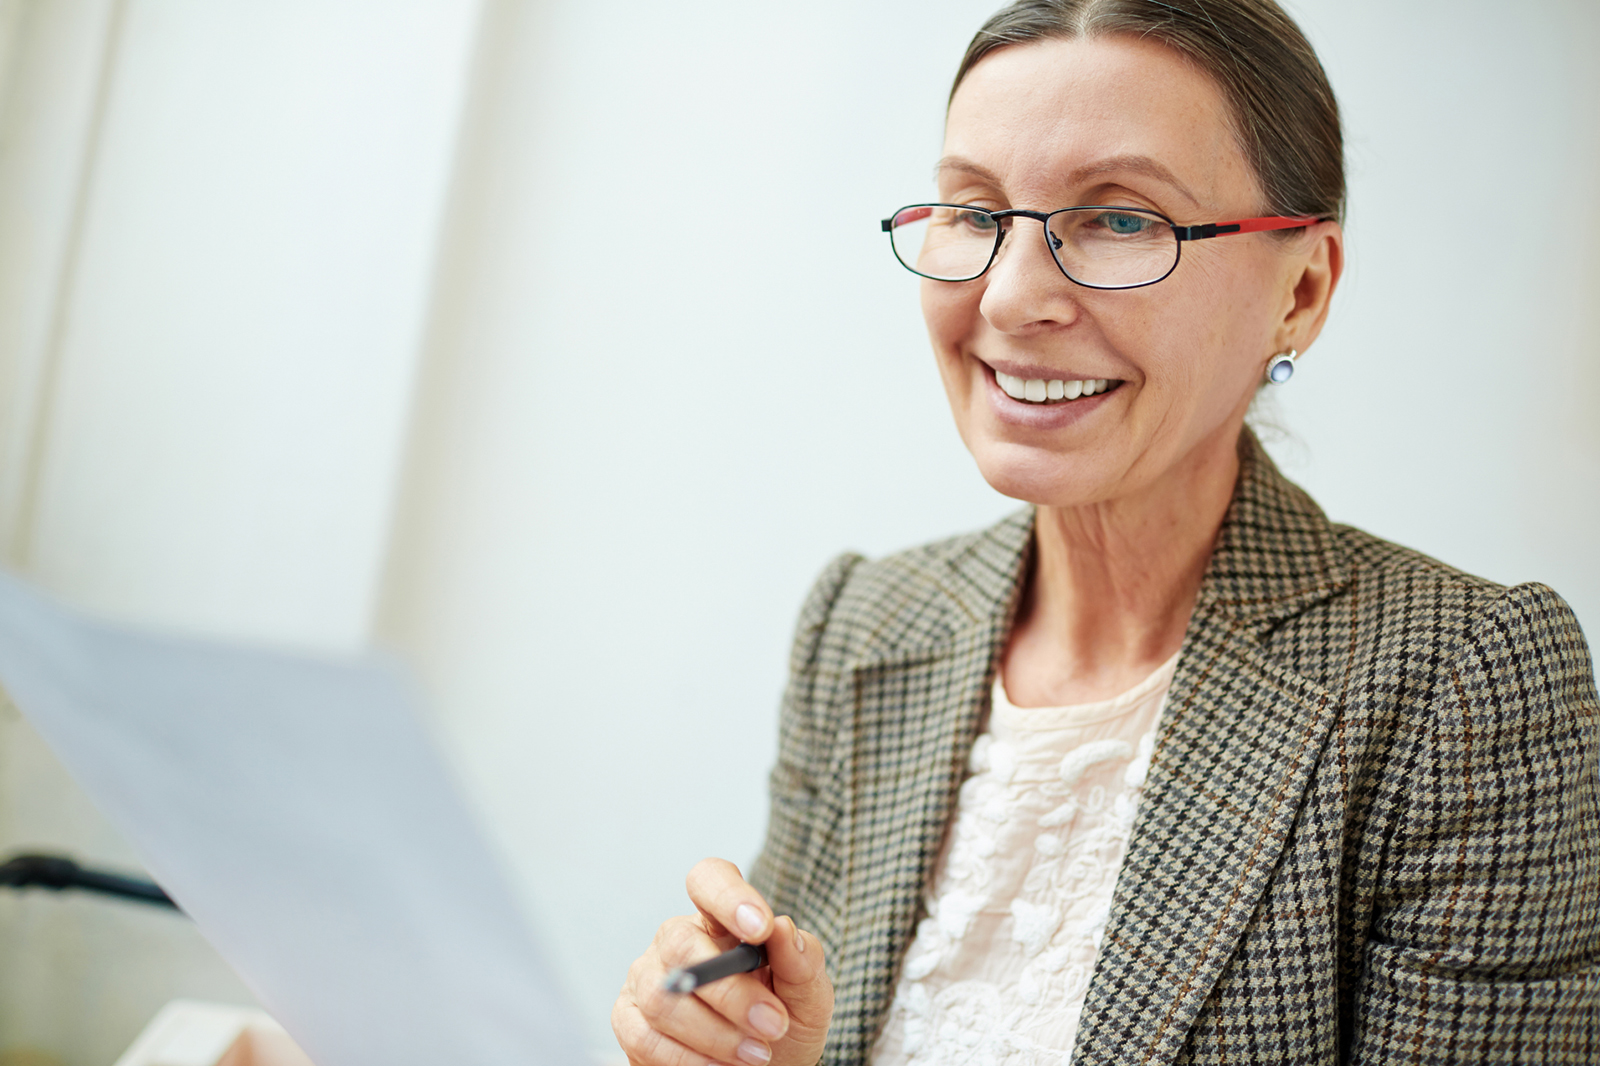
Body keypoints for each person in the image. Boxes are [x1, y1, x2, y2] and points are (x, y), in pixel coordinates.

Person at [611, 1, 1600, 1063]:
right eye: (973, 211)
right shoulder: (863, 624)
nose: (1010, 298)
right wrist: (736, 1039)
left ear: (1300, 293)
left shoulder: (1460, 685)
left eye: (1121, 220)